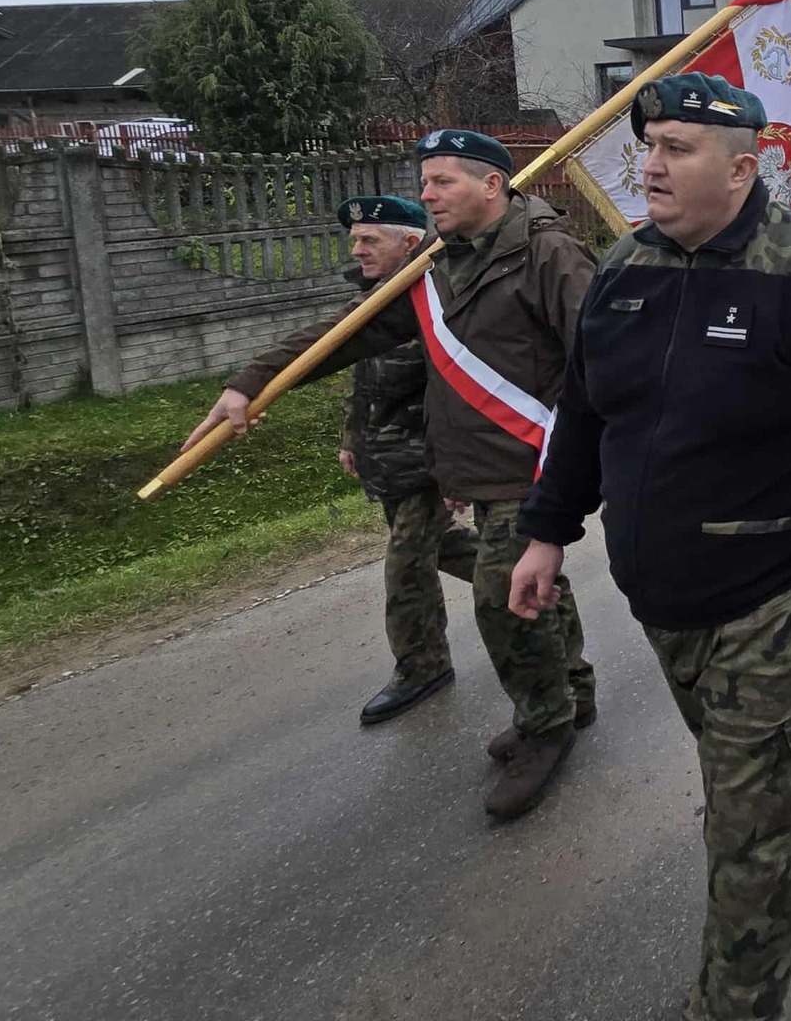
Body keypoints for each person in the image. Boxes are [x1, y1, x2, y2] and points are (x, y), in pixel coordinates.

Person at [509, 72, 791, 1021]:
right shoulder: (622, 271)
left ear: (743, 170)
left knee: (745, 833)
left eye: (678, 149)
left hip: (777, 590)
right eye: (649, 147)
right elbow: (584, 416)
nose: (651, 167)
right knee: (740, 746)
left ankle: (734, 1003)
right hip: (664, 591)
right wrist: (546, 532)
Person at [187, 129, 597, 820]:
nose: (427, 195)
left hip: (536, 462)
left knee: (501, 600)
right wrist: (252, 382)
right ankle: (571, 693)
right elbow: (351, 331)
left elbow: (598, 356)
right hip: (477, 465)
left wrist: (589, 462)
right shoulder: (439, 266)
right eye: (425, 182)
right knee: (529, 590)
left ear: (491, 184)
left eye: (442, 181)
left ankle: (544, 727)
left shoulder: (548, 253)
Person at [332, 194, 480, 726]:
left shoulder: (438, 301)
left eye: (370, 239)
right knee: (442, 549)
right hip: (387, 457)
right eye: (355, 239)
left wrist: (455, 469)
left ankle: (422, 667)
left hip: (427, 462)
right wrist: (353, 438)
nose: (357, 249)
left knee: (406, 567)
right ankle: (530, 584)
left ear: (410, 243)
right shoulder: (372, 300)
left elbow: (458, 390)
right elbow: (364, 380)